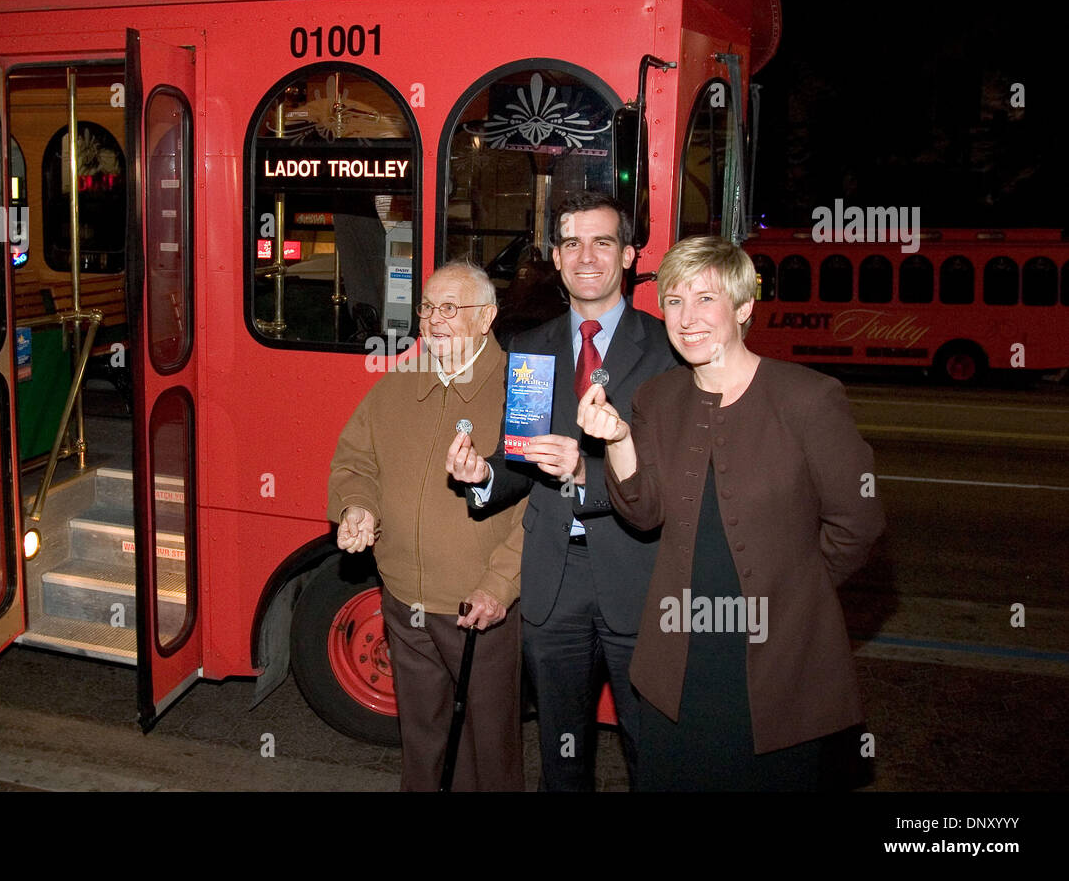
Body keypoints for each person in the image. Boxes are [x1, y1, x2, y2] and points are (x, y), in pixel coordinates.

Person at [578, 235, 886, 789]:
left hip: (779, 663)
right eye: (673, 300)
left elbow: (857, 522)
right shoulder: (656, 398)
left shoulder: (808, 398)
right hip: (679, 662)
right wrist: (620, 440)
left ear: (743, 309)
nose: (686, 317)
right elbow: (644, 514)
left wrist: (797, 592)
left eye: (705, 299)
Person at [446, 191, 679, 791]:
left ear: (628, 255)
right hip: (554, 581)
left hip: (639, 572)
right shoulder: (530, 346)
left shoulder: (667, 351)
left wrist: (586, 475)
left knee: (651, 749)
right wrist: (485, 477)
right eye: (571, 243)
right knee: (561, 755)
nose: (586, 256)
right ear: (555, 256)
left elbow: (678, 472)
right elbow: (522, 457)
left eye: (603, 242)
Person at [328, 260, 525, 791]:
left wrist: (500, 585)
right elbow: (355, 461)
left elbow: (542, 503)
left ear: (486, 317)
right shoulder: (399, 383)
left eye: (450, 308)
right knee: (422, 739)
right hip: (402, 598)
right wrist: (356, 507)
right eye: (427, 307)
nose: (434, 320)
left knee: (490, 750)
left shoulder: (520, 387)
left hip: (477, 607)